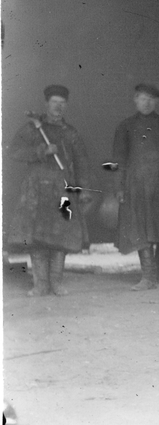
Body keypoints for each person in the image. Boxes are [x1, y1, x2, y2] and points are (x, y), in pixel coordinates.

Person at [5, 85, 95, 296]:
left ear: (66, 106)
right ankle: (40, 284)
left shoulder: (70, 133)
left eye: (62, 103)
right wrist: (41, 150)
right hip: (36, 191)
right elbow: (13, 151)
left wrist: (84, 190)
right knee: (37, 238)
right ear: (46, 104)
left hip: (62, 190)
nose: (58, 107)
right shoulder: (32, 129)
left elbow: (82, 162)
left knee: (61, 237)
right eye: (54, 102)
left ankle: (56, 283)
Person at [112, 83, 159, 290]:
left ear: (156, 102)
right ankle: (148, 279)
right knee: (141, 232)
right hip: (136, 189)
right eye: (142, 98)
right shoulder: (125, 127)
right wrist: (119, 188)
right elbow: (119, 161)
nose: (146, 103)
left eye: (150, 99)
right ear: (135, 100)